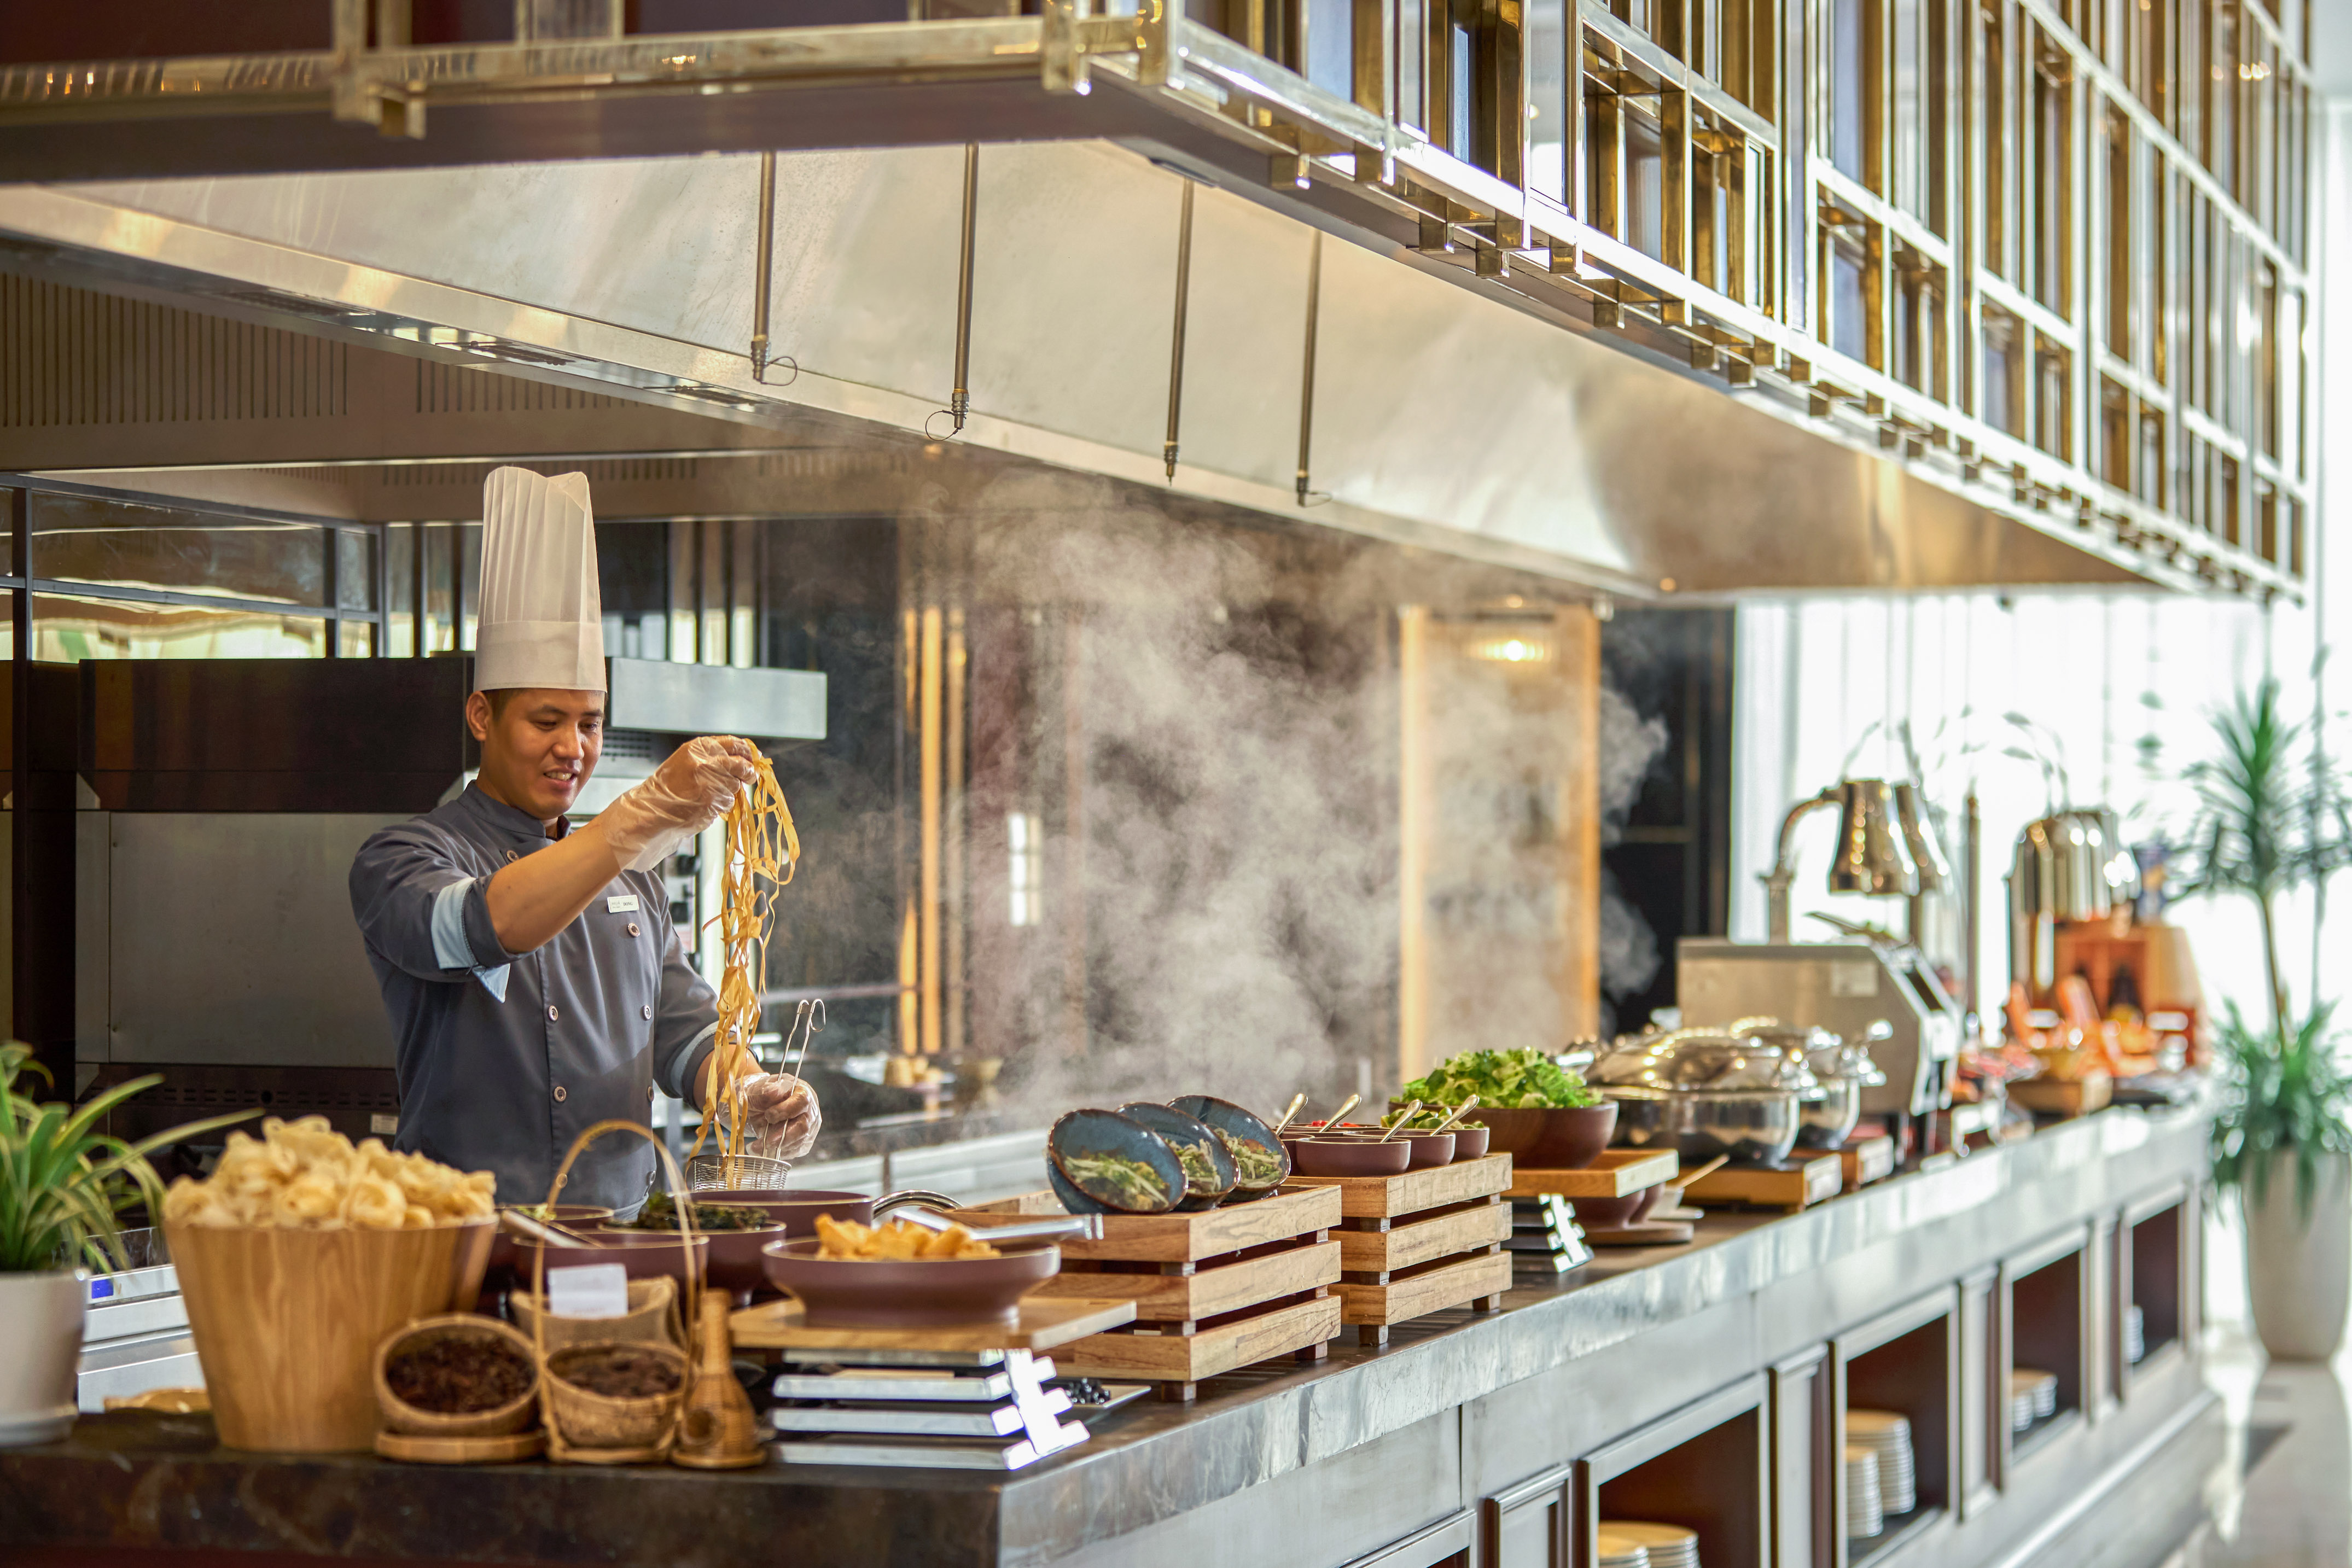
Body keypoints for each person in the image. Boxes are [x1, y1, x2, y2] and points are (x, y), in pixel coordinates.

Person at [348, 468, 818, 1211]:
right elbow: (491, 924)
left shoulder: (633, 877)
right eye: (546, 722)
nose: (573, 748)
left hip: (622, 1239)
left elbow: (684, 1032)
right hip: (472, 1241)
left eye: (590, 724)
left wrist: (749, 1090)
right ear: (481, 716)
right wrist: (637, 818)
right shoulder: (401, 862)